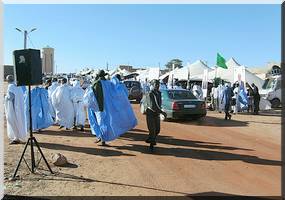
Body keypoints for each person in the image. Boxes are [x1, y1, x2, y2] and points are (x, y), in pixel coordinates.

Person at [4, 75, 27, 144]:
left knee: (13, 122)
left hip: (13, 109)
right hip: (18, 108)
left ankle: (16, 138)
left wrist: (5, 97)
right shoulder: (18, 86)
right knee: (18, 121)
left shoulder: (10, 86)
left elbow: (11, 97)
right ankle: (18, 137)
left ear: (7, 80)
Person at [145, 79, 167, 151]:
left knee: (157, 130)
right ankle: (151, 145)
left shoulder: (159, 93)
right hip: (150, 113)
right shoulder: (150, 94)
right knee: (152, 130)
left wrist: (161, 110)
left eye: (158, 84)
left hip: (156, 114)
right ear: (152, 85)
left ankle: (150, 138)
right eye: (156, 84)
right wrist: (162, 112)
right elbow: (153, 106)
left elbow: (159, 104)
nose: (157, 86)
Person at [91, 70, 107, 145]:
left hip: (98, 107)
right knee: (105, 123)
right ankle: (102, 138)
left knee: (100, 123)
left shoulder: (96, 83)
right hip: (107, 107)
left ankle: (102, 139)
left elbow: (93, 95)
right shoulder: (108, 83)